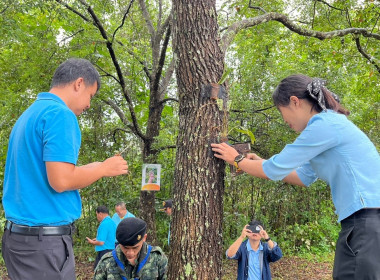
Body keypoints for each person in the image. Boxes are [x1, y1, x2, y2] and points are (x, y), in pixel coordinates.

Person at [211, 74, 380, 280]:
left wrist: (236, 159)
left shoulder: (324, 125)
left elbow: (274, 169)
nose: (284, 121)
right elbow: (302, 176)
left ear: (294, 101)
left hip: (367, 220)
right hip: (362, 221)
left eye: (282, 112)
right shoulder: (329, 127)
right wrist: (258, 161)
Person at [2, 58, 129, 280]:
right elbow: (61, 180)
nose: (89, 105)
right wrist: (103, 170)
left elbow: (52, 172)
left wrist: (100, 166)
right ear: (79, 83)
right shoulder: (60, 115)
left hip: (19, 239)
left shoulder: (30, 114)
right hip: (44, 246)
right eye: (90, 95)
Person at [93, 217, 168, 280]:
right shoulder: (107, 262)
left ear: (144, 238)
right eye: (125, 248)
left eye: (135, 247)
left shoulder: (157, 258)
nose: (130, 253)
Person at [86, 206, 117, 270]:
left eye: (97, 214)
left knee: (98, 271)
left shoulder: (104, 224)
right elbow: (108, 236)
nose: (97, 217)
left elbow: (101, 242)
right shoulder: (111, 222)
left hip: (104, 251)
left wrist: (91, 242)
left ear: (100, 214)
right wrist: (96, 238)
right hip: (111, 249)